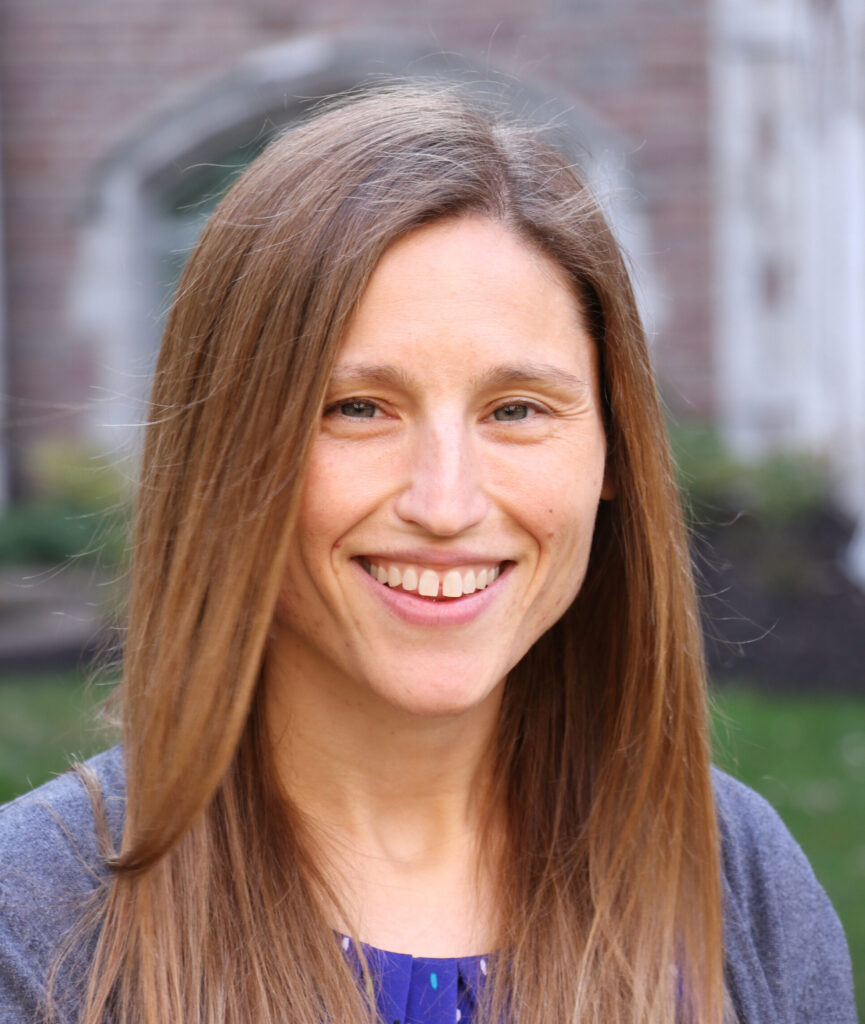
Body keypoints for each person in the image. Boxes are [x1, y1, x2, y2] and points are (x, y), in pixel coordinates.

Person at [0, 85, 856, 1024]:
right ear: (225, 450)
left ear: (614, 452)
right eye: (357, 409)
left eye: (516, 410)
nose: (445, 504)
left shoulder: (736, 879)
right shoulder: (34, 926)